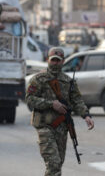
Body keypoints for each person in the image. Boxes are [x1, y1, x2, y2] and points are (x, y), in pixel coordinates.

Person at [25, 47, 94, 176]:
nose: (55, 63)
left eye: (58, 60)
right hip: (44, 126)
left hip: (61, 128)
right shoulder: (39, 79)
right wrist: (51, 104)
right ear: (48, 60)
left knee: (58, 164)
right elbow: (29, 99)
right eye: (53, 60)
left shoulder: (68, 81)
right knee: (54, 164)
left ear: (63, 61)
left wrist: (86, 116)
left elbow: (77, 100)